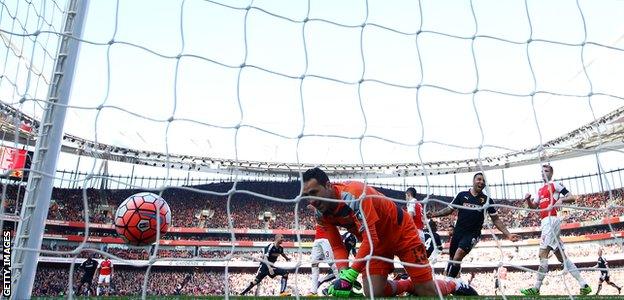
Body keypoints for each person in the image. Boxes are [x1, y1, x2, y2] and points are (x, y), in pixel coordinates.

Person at [302, 167, 477, 297]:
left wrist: (353, 272)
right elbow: (337, 246)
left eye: (314, 192)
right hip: (376, 243)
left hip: (402, 233)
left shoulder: (355, 194)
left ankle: (453, 284)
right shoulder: (320, 213)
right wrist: (343, 274)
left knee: (428, 292)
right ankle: (408, 285)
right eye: (307, 195)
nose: (311, 200)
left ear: (328, 185)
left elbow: (370, 239)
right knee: (373, 293)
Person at [428, 172, 519, 278]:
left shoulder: (487, 201)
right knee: (452, 259)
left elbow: (496, 219)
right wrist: (434, 214)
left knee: (458, 256)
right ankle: (453, 280)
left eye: (484, 181)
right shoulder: (462, 195)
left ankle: (450, 281)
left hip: (472, 234)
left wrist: (508, 234)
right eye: (479, 179)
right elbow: (449, 209)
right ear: (473, 181)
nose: (481, 182)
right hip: (458, 233)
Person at [520, 164, 591, 296]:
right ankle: (584, 285)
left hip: (551, 220)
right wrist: (528, 200)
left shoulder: (555, 185)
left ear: (551, 173)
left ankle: (536, 288)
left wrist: (561, 200)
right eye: (542, 171)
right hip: (545, 221)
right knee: (562, 258)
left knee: (542, 254)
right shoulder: (540, 190)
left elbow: (572, 197)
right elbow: (534, 207)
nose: (543, 173)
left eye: (546, 171)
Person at [308, 205, 339, 296]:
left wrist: (314, 208)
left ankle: (341, 284)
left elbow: (324, 213)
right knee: (314, 264)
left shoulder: (326, 210)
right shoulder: (318, 212)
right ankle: (313, 291)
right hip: (317, 240)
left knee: (331, 262)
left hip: (325, 240)